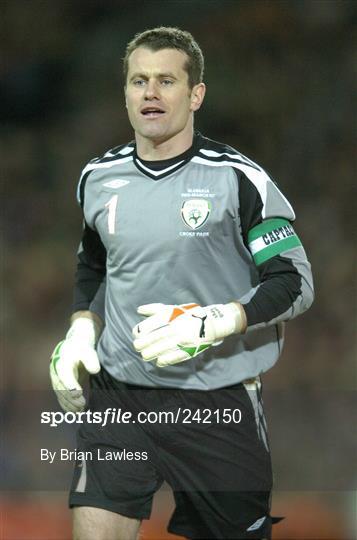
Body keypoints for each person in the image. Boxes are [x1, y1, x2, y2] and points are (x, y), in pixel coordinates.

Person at [50, 26, 314, 540]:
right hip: (119, 398)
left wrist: (219, 320)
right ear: (125, 92)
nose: (150, 92)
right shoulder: (97, 178)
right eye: (138, 80)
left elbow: (294, 281)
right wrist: (82, 326)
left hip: (216, 400)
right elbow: (93, 262)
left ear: (196, 95)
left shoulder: (239, 180)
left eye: (166, 80)